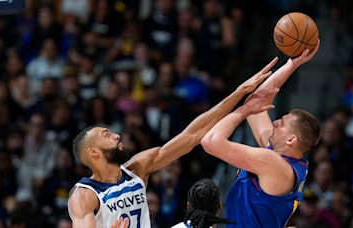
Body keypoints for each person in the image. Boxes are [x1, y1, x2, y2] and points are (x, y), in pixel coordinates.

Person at [67, 57, 278, 227]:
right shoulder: (85, 195)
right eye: (107, 135)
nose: (117, 135)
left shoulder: (138, 168)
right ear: (94, 153)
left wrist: (238, 94)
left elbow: (192, 135)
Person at [201, 41, 321, 227]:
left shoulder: (273, 163)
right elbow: (258, 102)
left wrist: (242, 111)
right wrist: (293, 64)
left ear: (291, 140)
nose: (275, 122)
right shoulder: (282, 159)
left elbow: (210, 141)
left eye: (281, 124)